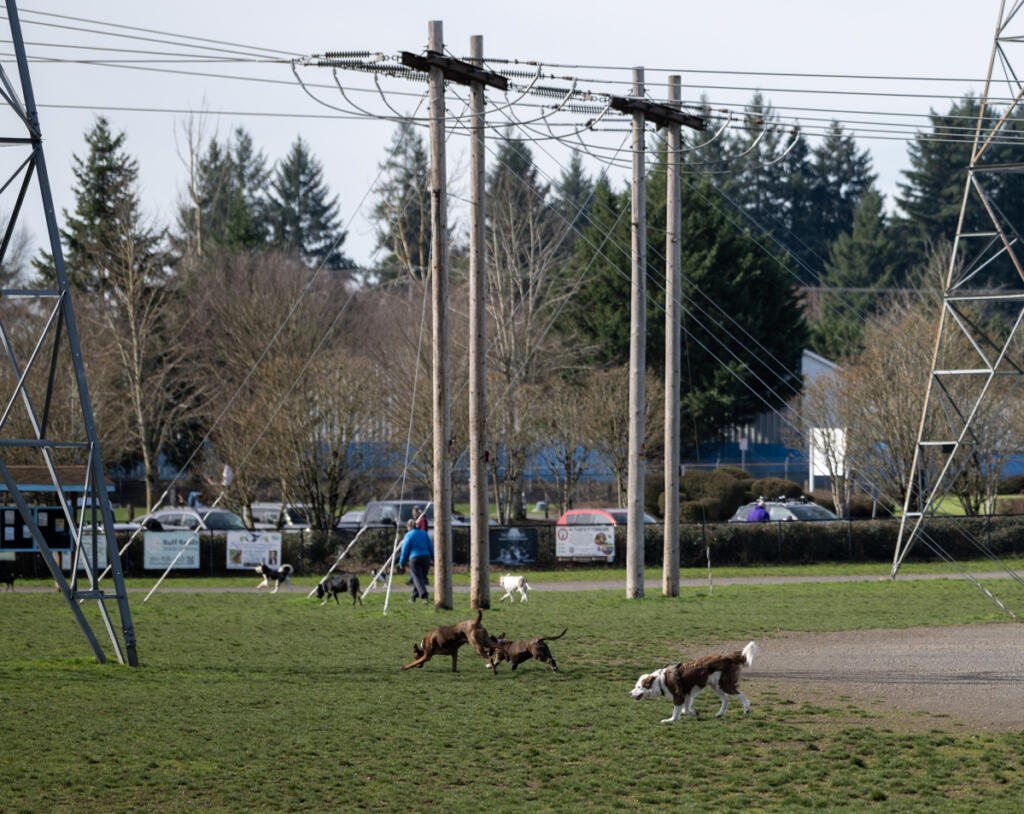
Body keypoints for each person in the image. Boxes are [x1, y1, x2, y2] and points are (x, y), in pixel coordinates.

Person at [398, 518, 433, 603]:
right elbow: (430, 546)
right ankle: (413, 597)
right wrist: (433, 557)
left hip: (415, 558)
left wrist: (401, 562)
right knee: (420, 578)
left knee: (417, 578)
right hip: (426, 557)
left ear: (408, 526)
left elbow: (405, 549)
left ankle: (424, 596)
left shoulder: (409, 535)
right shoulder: (424, 533)